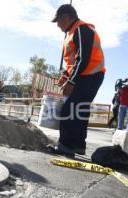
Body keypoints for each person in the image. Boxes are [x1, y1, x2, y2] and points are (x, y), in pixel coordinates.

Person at [48, 4, 105, 157]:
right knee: (80, 110)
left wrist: (71, 82)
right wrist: (66, 75)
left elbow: (83, 58)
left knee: (69, 109)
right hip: (88, 75)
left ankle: (65, 146)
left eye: (58, 21)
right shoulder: (73, 32)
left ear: (65, 17)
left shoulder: (81, 29)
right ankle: (78, 145)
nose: (58, 25)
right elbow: (74, 61)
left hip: (89, 75)